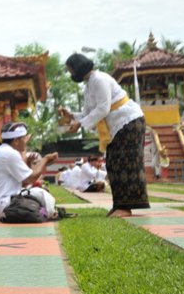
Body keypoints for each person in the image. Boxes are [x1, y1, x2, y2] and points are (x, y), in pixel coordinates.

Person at [60, 53, 150, 217]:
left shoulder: (100, 79)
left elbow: (103, 109)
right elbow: (89, 113)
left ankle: (125, 207)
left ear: (78, 68)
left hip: (129, 121)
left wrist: (80, 123)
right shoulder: (89, 85)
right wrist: (72, 116)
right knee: (113, 163)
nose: (71, 75)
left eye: (71, 70)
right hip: (117, 127)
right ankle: (119, 204)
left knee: (126, 163)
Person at [0, 122, 59, 221]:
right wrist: (45, 160)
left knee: (39, 192)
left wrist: (29, 163)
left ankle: (46, 211)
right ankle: (49, 212)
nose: (26, 141)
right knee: (41, 193)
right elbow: (31, 178)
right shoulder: (10, 154)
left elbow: (24, 183)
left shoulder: (5, 151)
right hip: (1, 206)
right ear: (16, 141)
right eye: (24, 138)